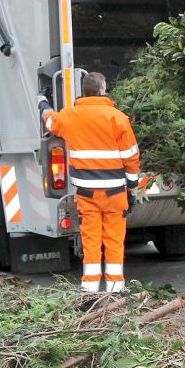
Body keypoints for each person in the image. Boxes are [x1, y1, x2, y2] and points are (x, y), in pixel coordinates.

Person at [38, 72, 140, 293]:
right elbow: (131, 158)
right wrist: (133, 189)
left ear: (83, 91)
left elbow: (49, 121)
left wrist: (43, 103)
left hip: (86, 193)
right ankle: (115, 290)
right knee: (113, 240)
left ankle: (90, 290)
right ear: (103, 90)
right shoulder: (118, 118)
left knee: (91, 240)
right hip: (115, 193)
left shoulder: (70, 116)